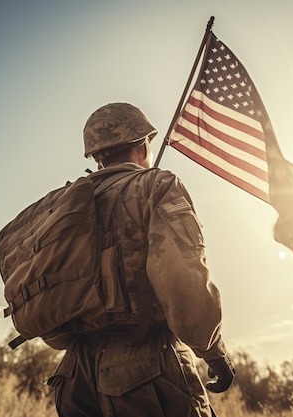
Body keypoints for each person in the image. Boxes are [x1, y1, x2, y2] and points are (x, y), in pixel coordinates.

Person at [47, 102, 235, 417]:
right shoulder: (157, 186)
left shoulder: (65, 207)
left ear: (96, 156)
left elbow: (51, 311)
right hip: (144, 371)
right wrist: (213, 351)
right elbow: (183, 282)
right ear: (141, 144)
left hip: (74, 378)